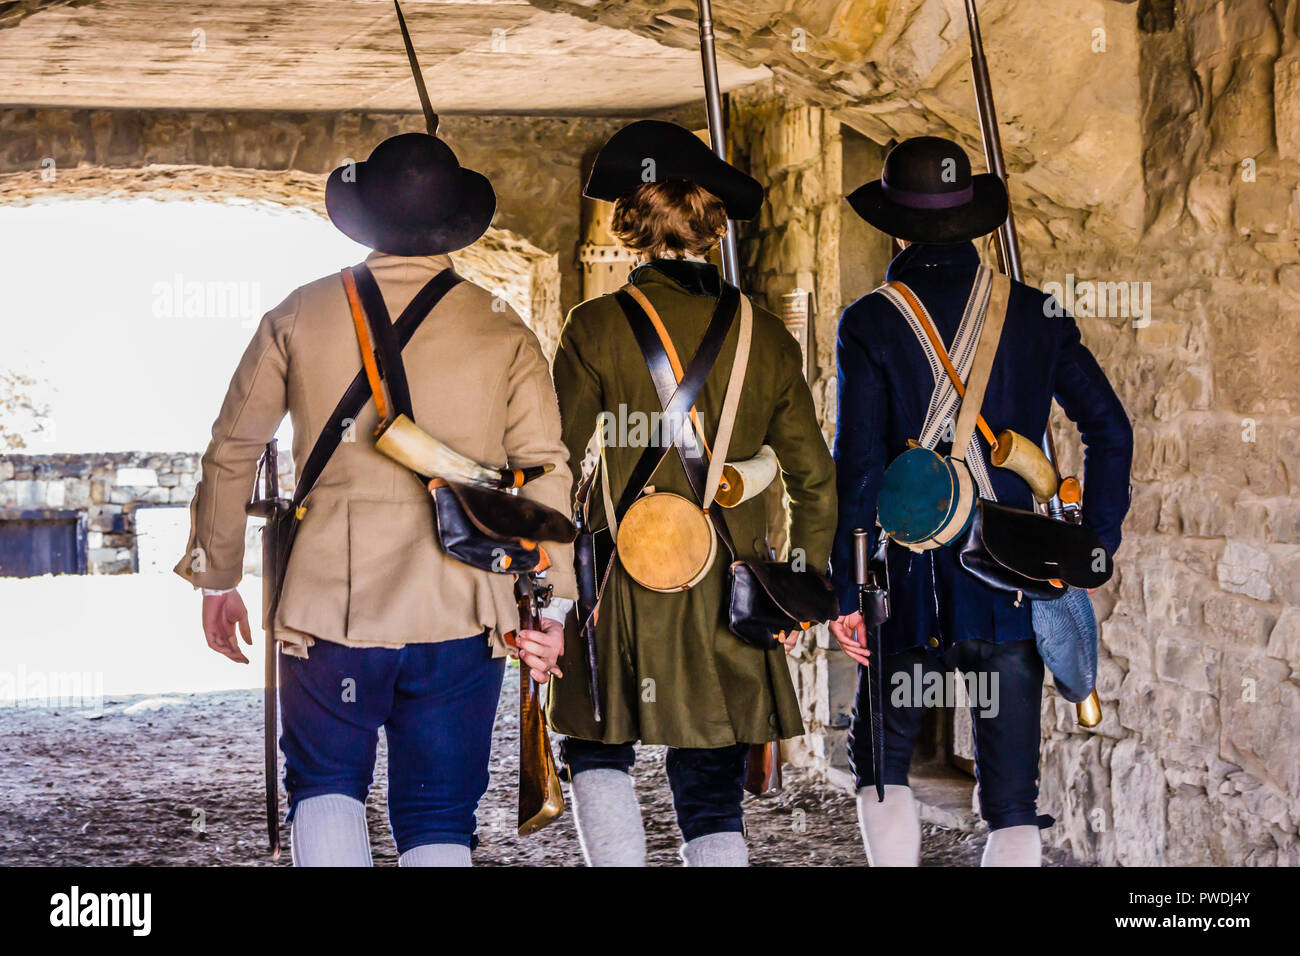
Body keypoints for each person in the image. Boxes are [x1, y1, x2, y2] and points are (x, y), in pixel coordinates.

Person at [174, 123, 576, 867]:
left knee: (325, 785)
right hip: (461, 601)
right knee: (439, 814)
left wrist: (217, 577)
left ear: (367, 219)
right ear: (453, 223)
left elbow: (232, 449)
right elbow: (546, 471)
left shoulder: (298, 312)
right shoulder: (502, 328)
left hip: (330, 604)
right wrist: (551, 607)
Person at [829, 136, 1133, 867]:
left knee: (881, 767)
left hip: (907, 588)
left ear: (895, 225)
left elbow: (859, 469)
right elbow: (1110, 428)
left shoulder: (869, 320)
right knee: (1011, 803)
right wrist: (1094, 541)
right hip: (1014, 584)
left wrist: (848, 587)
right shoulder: (1037, 312)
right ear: (972, 216)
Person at [547, 120, 837, 867]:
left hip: (617, 585)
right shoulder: (768, 336)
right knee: (711, 781)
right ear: (711, 225)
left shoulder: (594, 326)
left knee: (597, 747)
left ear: (632, 223)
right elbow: (811, 476)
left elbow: (552, 459)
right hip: (729, 590)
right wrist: (800, 586)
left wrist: (543, 592)